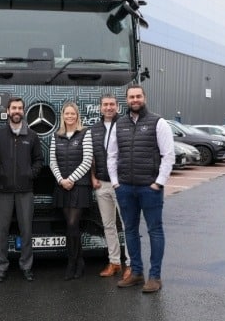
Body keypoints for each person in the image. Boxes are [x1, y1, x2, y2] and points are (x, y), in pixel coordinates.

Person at [107, 85, 174, 293]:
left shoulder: (158, 122)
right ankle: (136, 273)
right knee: (130, 230)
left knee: (155, 230)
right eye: (131, 97)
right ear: (126, 100)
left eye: (138, 96)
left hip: (149, 189)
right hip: (125, 188)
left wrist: (158, 183)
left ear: (144, 97)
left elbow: (168, 155)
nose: (135, 99)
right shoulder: (119, 124)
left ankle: (155, 277)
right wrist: (116, 182)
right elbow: (112, 155)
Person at [0, 97, 43, 283]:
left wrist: (30, 173)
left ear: (23, 111)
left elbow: (39, 160)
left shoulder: (32, 135)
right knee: (2, 231)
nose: (17, 111)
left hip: (25, 191)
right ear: (8, 110)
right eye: (14, 108)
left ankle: (26, 267)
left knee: (26, 231)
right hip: (3, 191)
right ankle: (1, 267)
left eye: (20, 108)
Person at [89, 93, 132, 279]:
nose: (108, 107)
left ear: (117, 106)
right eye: (105, 104)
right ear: (100, 108)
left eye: (112, 104)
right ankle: (114, 262)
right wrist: (92, 178)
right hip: (102, 184)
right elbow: (90, 157)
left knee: (128, 225)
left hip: (122, 184)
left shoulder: (125, 125)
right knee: (108, 225)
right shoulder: (94, 129)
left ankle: (131, 264)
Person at [49, 102, 93, 280]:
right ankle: (78, 261)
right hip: (62, 186)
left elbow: (87, 160)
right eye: (67, 113)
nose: (70, 116)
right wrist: (61, 180)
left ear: (77, 116)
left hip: (79, 186)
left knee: (73, 224)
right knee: (70, 225)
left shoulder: (85, 133)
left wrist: (71, 179)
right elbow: (52, 161)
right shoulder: (56, 136)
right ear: (63, 116)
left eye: (72, 114)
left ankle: (72, 263)